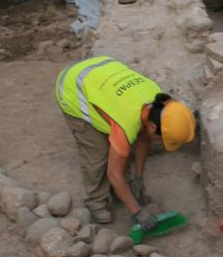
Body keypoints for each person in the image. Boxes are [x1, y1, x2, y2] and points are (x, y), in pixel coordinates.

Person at [55, 56, 196, 230]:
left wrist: (138, 177)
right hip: (72, 87)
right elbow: (114, 173)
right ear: (153, 126)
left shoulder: (157, 102)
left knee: (120, 150)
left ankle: (124, 190)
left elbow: (144, 139)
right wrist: (137, 212)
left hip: (101, 70)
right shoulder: (127, 123)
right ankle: (96, 202)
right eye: (161, 137)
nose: (159, 140)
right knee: (97, 154)